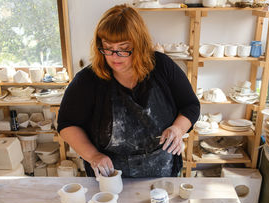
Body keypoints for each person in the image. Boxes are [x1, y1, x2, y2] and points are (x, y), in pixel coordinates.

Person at [57, 4, 200, 178]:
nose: (114, 57)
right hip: (111, 174)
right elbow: (67, 124)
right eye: (108, 48)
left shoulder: (162, 67)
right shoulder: (88, 80)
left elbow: (190, 105)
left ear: (139, 45)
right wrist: (93, 156)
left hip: (161, 169)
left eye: (124, 49)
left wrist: (178, 129)